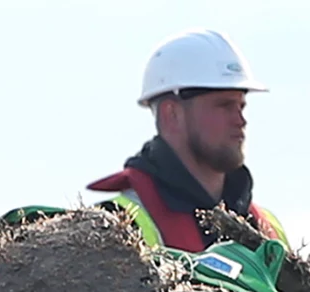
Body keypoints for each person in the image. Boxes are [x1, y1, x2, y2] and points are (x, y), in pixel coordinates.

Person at [88, 29, 289, 253]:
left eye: (241, 106)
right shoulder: (116, 228)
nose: (241, 120)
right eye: (224, 106)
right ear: (171, 114)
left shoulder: (269, 228)